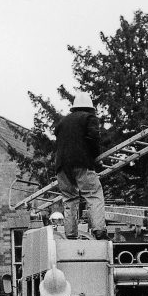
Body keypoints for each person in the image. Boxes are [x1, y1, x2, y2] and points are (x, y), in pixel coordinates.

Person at [54, 92, 108, 240]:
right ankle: (99, 231)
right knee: (93, 194)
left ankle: (70, 234)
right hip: (81, 163)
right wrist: (95, 158)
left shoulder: (62, 122)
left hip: (61, 167)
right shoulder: (89, 118)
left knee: (69, 199)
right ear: (90, 108)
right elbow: (93, 138)